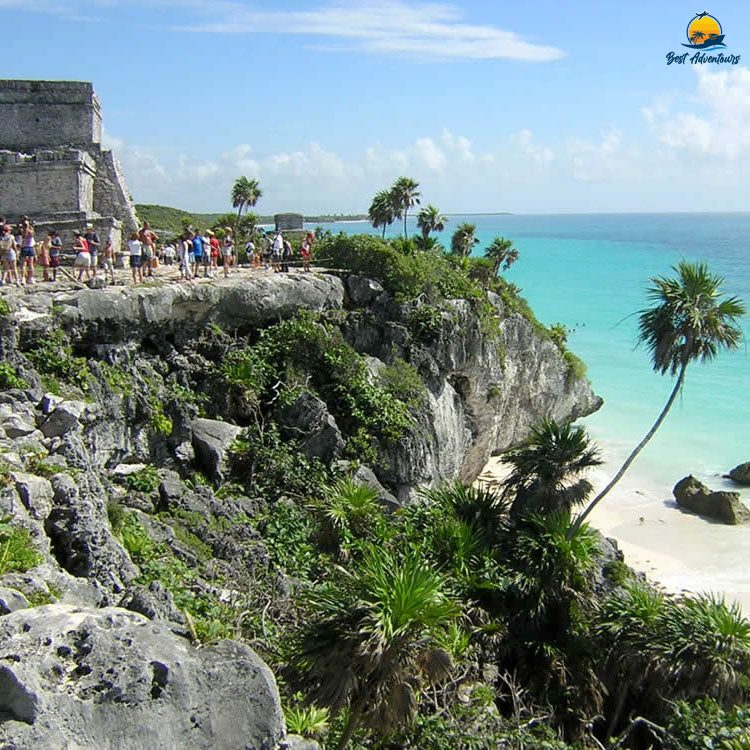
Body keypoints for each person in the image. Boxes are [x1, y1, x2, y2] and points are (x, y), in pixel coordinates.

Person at [20, 221, 36, 285]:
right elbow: (32, 233)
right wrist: (31, 226)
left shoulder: (22, 231)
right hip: (30, 248)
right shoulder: (31, 231)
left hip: (24, 247)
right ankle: (31, 278)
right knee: (31, 264)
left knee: (23, 264)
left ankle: (23, 278)